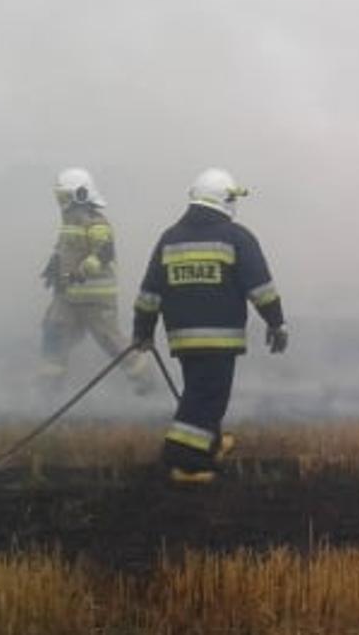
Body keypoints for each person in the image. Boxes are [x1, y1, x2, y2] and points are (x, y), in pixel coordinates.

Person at [131, 168, 290, 485]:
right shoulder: (237, 237)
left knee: (199, 393)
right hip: (220, 338)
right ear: (225, 200)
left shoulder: (170, 239)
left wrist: (143, 331)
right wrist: (276, 323)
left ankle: (211, 444)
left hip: (182, 339)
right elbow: (261, 288)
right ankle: (185, 462)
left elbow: (149, 292)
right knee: (208, 397)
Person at [38, 168, 150, 396]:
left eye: (64, 196)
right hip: (68, 296)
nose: (61, 202)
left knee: (112, 342)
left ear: (80, 194)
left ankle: (146, 381)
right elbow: (64, 247)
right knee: (53, 332)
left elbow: (103, 252)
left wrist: (83, 271)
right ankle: (48, 388)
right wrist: (54, 264)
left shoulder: (96, 222)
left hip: (96, 299)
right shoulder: (69, 222)